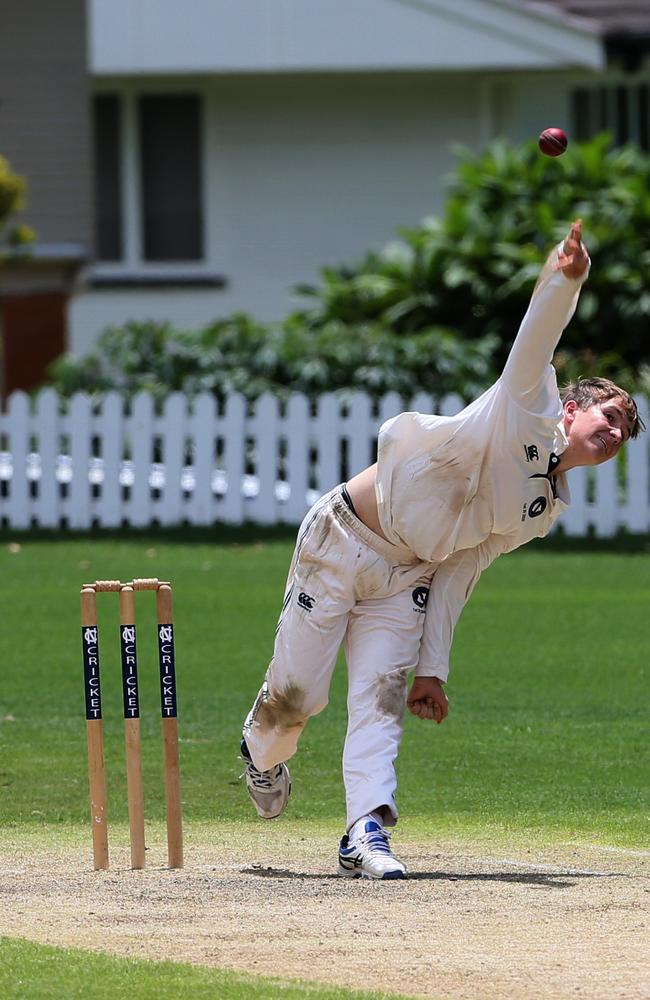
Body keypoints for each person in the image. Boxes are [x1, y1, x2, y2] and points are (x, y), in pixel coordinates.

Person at [239, 220, 644, 879]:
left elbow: (463, 567)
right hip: (341, 540)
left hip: (410, 579)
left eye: (626, 430)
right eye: (611, 415)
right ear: (572, 410)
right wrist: (564, 278)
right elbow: (535, 337)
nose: (616, 430)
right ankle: (261, 756)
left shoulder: (543, 511)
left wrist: (436, 669)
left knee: (382, 701)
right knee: (297, 699)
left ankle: (363, 833)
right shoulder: (527, 403)